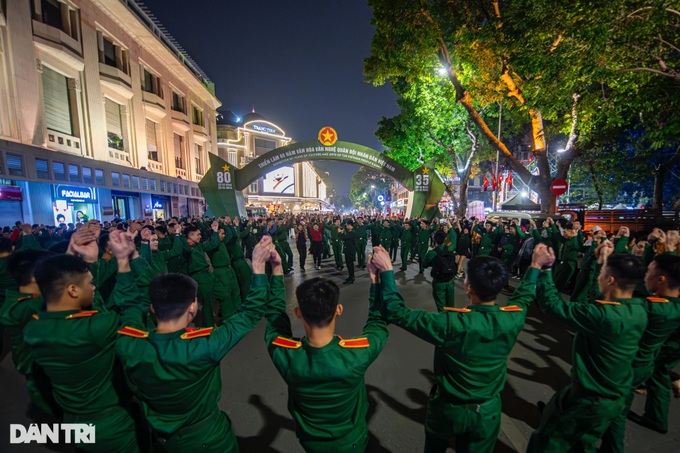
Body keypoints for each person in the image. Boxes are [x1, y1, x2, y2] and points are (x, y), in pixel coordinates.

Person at [115, 236, 274, 452]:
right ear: (192, 308)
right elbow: (251, 312)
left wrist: (125, 261)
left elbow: (129, 306)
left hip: (165, 442)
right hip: (210, 440)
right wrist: (258, 266)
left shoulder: (130, 344)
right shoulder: (203, 346)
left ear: (152, 308)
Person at [376, 245, 536, 452]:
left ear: (468, 286)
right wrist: (536, 267)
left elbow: (396, 312)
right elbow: (524, 296)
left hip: (447, 409)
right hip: (487, 413)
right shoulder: (513, 317)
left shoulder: (451, 323)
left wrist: (387, 271)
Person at [23, 230, 142, 452]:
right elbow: (132, 314)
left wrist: (72, 255)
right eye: (89, 283)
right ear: (73, 290)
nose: (93, 286)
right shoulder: (97, 328)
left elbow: (52, 295)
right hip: (109, 423)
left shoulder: (34, 330)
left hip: (73, 421)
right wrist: (124, 263)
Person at [264, 244, 388, 452]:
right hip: (352, 442)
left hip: (312, 443)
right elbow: (378, 323)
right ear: (338, 310)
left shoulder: (286, 355)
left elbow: (275, 319)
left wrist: (276, 270)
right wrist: (375, 280)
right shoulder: (356, 354)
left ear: (297, 312)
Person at [527, 245, 648, 452]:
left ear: (610, 280)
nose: (598, 277)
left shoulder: (602, 316)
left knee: (548, 443)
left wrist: (545, 269)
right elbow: (603, 297)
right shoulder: (639, 308)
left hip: (590, 399)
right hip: (615, 395)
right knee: (582, 443)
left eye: (601, 273)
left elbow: (551, 304)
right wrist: (605, 261)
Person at [624, 254, 680, 437]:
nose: (645, 274)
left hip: (664, 347)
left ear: (661, 278)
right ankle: (656, 418)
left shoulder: (656, 306)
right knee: (659, 375)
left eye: (648, 271)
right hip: (671, 346)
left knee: (626, 384)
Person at [424, 230, 457, 311]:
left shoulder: (432, 253)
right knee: (451, 306)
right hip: (450, 281)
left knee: (441, 307)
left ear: (434, 239)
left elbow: (424, 265)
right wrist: (451, 227)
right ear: (445, 239)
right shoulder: (449, 248)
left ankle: (443, 322)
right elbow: (454, 238)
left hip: (438, 282)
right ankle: (451, 321)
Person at [339, 220, 358, 284]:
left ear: (350, 225)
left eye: (347, 225)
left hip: (350, 251)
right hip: (348, 250)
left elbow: (343, 238)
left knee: (350, 265)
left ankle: (352, 278)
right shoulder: (349, 232)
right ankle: (350, 277)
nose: (346, 226)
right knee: (349, 265)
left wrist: (340, 233)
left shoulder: (352, 233)